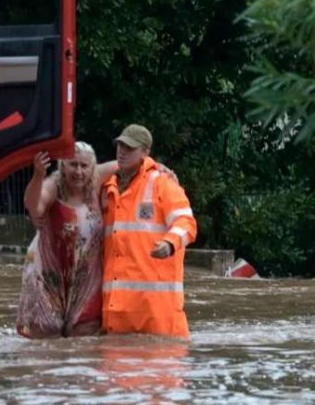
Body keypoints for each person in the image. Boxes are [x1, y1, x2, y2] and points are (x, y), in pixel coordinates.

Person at [100, 124, 197, 339]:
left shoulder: (163, 184)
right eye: (120, 146)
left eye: (129, 148)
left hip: (157, 318)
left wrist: (170, 243)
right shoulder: (108, 188)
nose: (122, 152)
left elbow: (186, 222)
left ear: (145, 152)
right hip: (117, 316)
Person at [16, 142, 117, 338]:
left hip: (86, 278)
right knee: (46, 338)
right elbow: (33, 206)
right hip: (48, 274)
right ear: (63, 166)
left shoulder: (96, 180)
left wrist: (159, 170)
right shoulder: (54, 186)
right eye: (73, 165)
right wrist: (38, 175)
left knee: (85, 334)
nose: (78, 171)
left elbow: (127, 162)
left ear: (92, 168)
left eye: (84, 166)